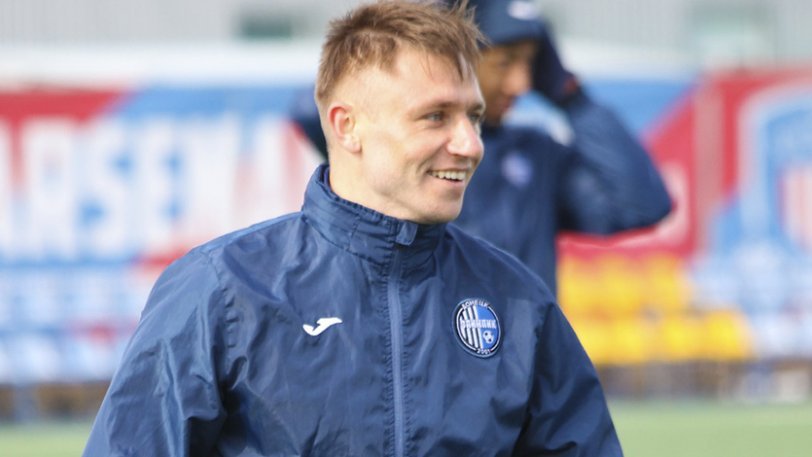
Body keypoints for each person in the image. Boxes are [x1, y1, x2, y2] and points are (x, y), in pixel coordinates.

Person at [84, 1, 622, 455]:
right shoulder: (219, 291)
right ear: (347, 126)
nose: (469, 144)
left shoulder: (519, 301)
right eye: (435, 116)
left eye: (473, 117)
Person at [290, 0, 672, 296]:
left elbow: (641, 206)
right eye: (505, 63)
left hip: (516, 367)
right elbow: (312, 110)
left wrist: (571, 96)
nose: (522, 83)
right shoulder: (399, 146)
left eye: (532, 64)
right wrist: (425, 23)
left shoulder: (537, 154)